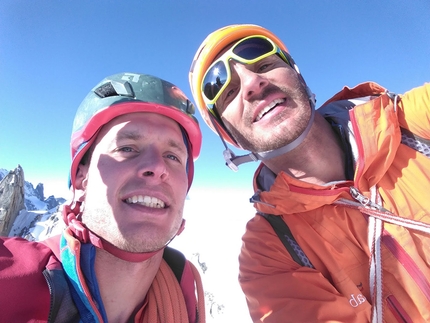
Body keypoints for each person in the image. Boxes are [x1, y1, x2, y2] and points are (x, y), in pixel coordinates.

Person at [188, 24, 430, 322]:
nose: (253, 83)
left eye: (264, 64)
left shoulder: (413, 125)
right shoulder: (270, 253)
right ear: (230, 137)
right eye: (231, 92)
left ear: (298, 75)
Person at [0, 72, 206, 323]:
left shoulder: (184, 292)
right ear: (81, 178)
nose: (157, 166)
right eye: (127, 148)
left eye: (173, 156)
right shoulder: (12, 280)